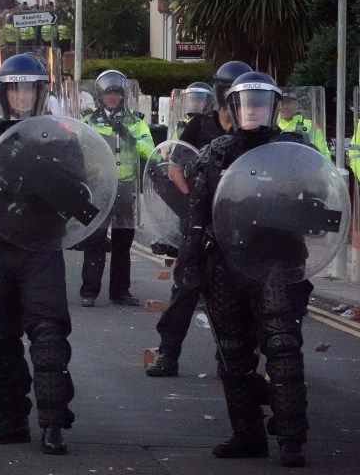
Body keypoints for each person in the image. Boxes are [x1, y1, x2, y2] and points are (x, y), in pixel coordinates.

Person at [178, 71, 312, 467]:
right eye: (246, 103)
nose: (253, 109)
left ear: (271, 106)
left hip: (276, 261)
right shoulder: (216, 153)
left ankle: (291, 438)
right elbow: (197, 216)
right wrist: (190, 268)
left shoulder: (292, 148)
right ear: (234, 108)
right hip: (227, 262)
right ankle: (248, 434)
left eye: (260, 103)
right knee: (233, 354)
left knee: (283, 349)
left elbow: (313, 198)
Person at [0, 54, 75, 455]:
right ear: (3, 93)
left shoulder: (61, 137)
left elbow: (81, 198)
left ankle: (53, 422)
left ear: (41, 92)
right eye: (14, 88)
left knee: (48, 335)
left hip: (40, 246)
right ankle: (11, 418)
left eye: (29, 88)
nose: (21, 95)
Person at [146, 61, 251, 377]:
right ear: (219, 94)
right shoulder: (201, 125)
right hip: (199, 222)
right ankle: (168, 355)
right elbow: (176, 165)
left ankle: (229, 359)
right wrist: (193, 201)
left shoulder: (252, 132)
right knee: (185, 290)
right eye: (227, 92)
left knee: (235, 295)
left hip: (237, 224)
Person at [79, 69, 154, 307]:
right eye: (108, 92)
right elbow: (79, 149)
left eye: (116, 92)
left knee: (123, 242)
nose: (112, 97)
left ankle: (120, 292)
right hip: (99, 188)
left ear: (122, 95)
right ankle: (89, 291)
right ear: (100, 95)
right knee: (95, 240)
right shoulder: (88, 120)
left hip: (125, 188)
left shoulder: (136, 121)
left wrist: (129, 137)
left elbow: (149, 151)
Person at [277, 90, 329, 157]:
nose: (284, 106)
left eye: (288, 103)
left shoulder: (311, 126)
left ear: (296, 104)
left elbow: (324, 155)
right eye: (281, 103)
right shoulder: (272, 126)